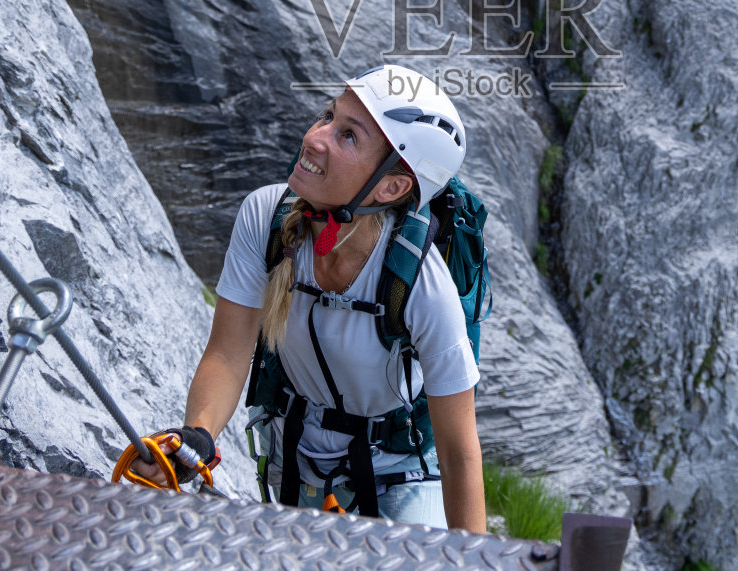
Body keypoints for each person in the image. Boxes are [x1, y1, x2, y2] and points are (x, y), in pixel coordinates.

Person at [135, 64, 485, 532]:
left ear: (392, 186)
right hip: (295, 459)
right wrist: (197, 435)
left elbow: (459, 451)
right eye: (327, 116)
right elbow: (227, 353)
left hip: (399, 473)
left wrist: (471, 558)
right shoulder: (266, 217)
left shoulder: (420, 281)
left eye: (347, 137)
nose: (315, 137)